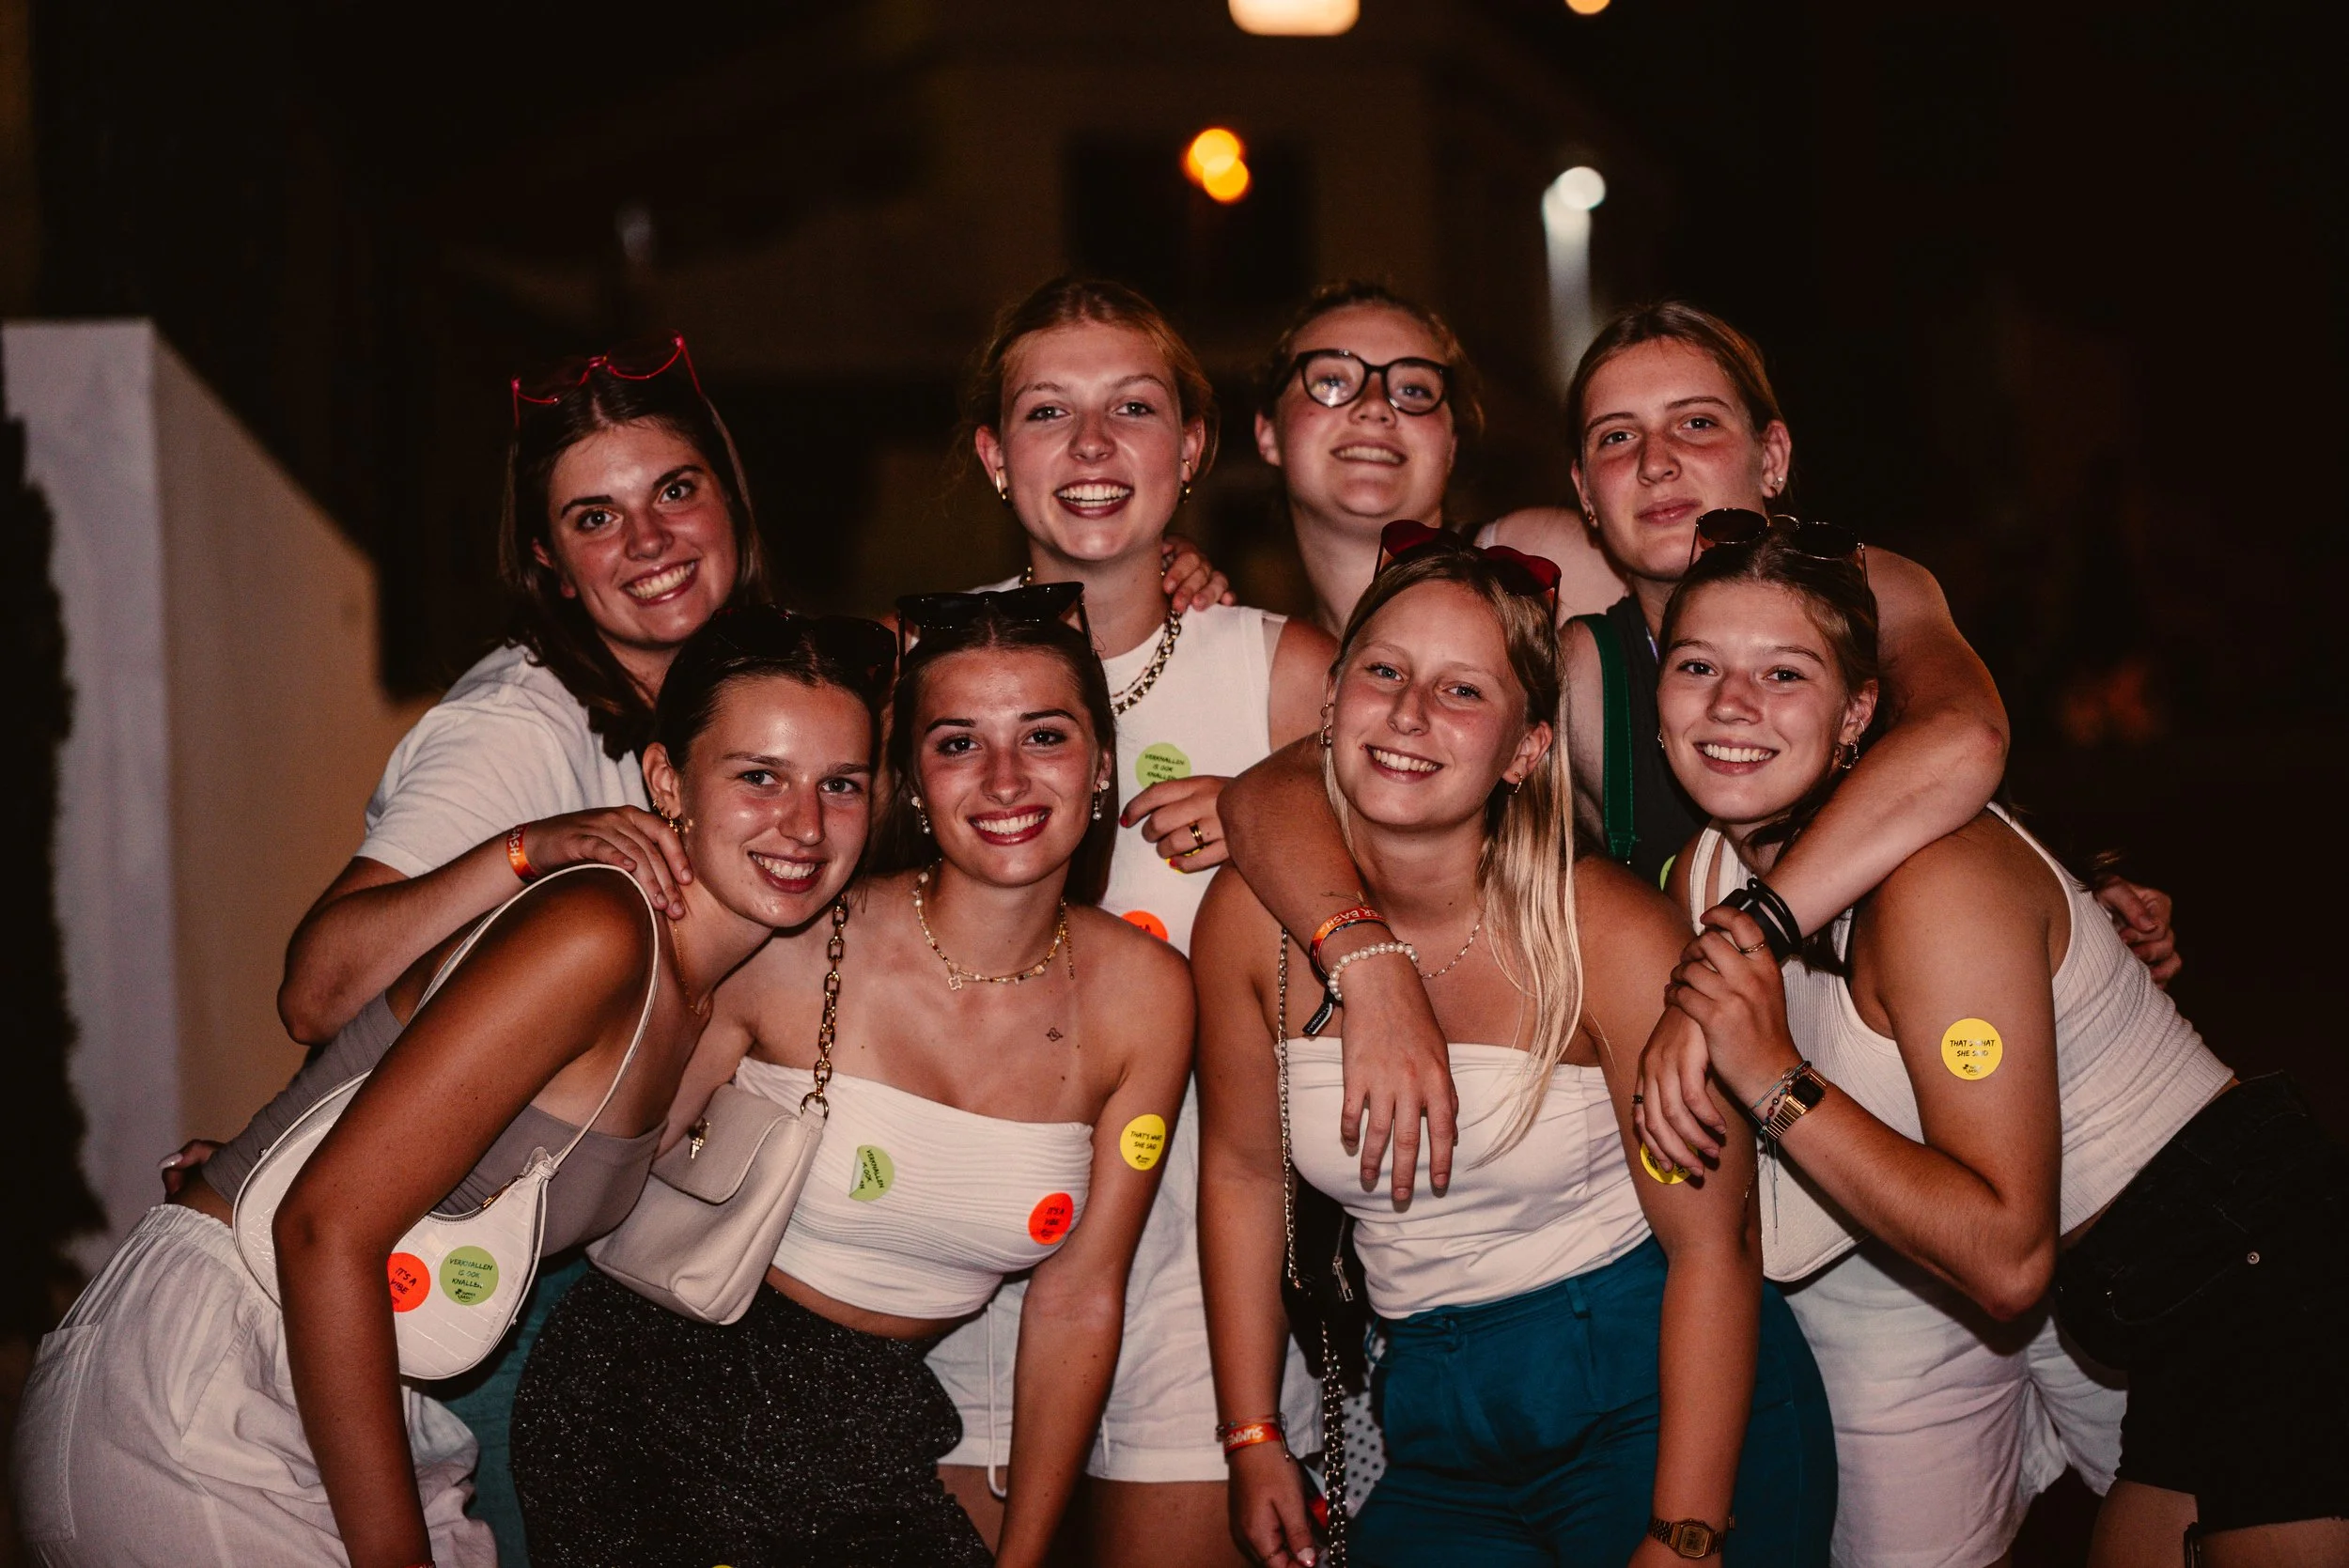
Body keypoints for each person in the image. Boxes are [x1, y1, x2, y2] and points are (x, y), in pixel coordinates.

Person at [251, 334, 1228, 1560]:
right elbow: (328, 990)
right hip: (556, 1311)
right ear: (548, 563)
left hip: (824, 1400)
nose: (651, 541)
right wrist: (310, 1133)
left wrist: (1160, 580)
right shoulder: (522, 732)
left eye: (674, 491)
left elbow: (974, 677)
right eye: (595, 517)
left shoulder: (790, 692)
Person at [1219, 299, 2172, 1210]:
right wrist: (1363, 950)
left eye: (1696, 425)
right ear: (1585, 495)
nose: (1658, 462)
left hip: (2044, 1147)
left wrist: (2071, 881)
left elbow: (1963, 739)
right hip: (1796, 1188)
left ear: (1773, 456)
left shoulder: (1860, 589)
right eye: (1616, 437)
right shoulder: (1585, 665)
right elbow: (1298, 782)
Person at [10, 607, 893, 1568]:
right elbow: (322, 1227)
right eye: (759, 775)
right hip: (207, 1388)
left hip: (342, 1385)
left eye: (839, 783)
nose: (804, 823)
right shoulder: (603, 929)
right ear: (666, 779)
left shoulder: (700, 988)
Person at [1636, 521, 2349, 1567]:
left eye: (1783, 672)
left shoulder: (1934, 883)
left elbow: (2008, 1259)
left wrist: (1769, 1074)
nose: (1731, 704)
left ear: (1857, 714)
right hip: (2155, 1308)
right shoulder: (1708, 877)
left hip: (2265, 1287)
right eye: (1698, 665)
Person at [513, 591, 1192, 1567]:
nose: (1005, 779)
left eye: (1043, 735)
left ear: (1099, 768)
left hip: (871, 1430)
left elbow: (1079, 1299)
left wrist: (1028, 1556)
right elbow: (594, 1151)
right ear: (908, 778)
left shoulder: (1148, 995)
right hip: (653, 1401)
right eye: (957, 743)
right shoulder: (787, 934)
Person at [1194, 531, 1834, 1566]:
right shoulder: (1248, 918)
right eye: (1384, 672)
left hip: (1648, 1386)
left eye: (1461, 692)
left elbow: (1714, 1250)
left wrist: (1684, 1535)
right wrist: (1252, 1431)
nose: (1407, 714)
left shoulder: (1605, 934)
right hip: (1430, 1408)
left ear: (1527, 750)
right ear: (1331, 700)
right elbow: (1237, 1171)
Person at [911, 277, 1335, 1565]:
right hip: (953, 1261)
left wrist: (1275, 809)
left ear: (1192, 448)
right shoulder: (915, 667)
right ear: (996, 454)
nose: (1093, 448)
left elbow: (1442, 892)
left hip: (1196, 1273)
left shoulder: (1286, 677)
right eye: (1049, 413)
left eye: (1134, 409)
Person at [1251, 280, 1622, 639]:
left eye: (1413, 389)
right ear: (1268, 433)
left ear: (1451, 446)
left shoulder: (1547, 564)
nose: (1375, 405)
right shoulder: (1269, 665)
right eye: (1331, 381)